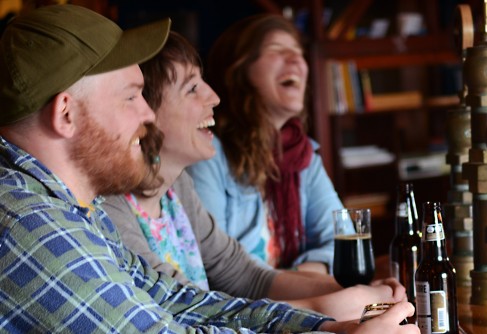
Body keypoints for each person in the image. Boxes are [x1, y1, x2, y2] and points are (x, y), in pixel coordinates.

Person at [0, 5, 418, 333]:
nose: (147, 116)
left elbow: (182, 302)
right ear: (66, 115)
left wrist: (330, 325)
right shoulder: (29, 223)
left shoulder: (76, 210)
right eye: (131, 97)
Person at [103, 30, 409, 322]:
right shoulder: (112, 205)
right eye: (192, 88)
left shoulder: (176, 187)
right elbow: (185, 305)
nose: (213, 98)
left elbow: (243, 272)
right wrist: (320, 306)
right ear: (143, 109)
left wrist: (348, 292)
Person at [187, 14, 342, 273]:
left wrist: (304, 277)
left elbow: (343, 240)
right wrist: (299, 289)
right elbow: (214, 267)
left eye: (298, 52)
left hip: (302, 300)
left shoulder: (303, 156)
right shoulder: (208, 154)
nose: (296, 60)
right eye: (277, 50)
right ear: (238, 70)